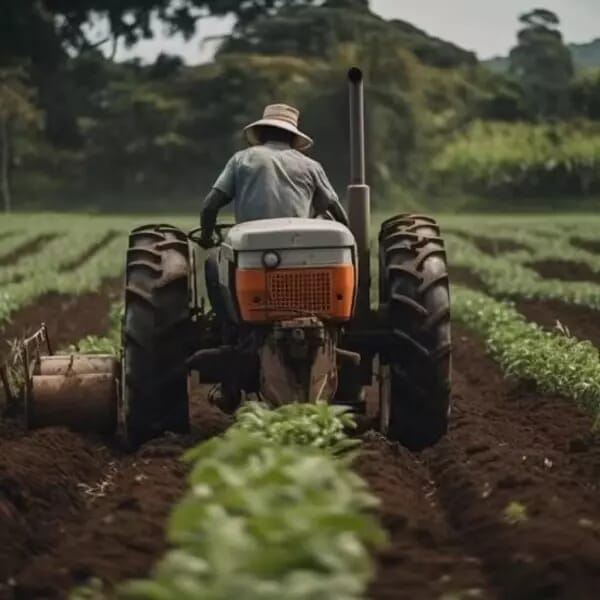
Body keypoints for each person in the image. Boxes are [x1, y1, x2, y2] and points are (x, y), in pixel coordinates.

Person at [198, 103, 349, 249]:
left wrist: (206, 238)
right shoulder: (311, 166)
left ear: (262, 133)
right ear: (292, 137)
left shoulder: (241, 159)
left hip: (250, 247)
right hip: (298, 246)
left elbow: (210, 206)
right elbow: (335, 209)